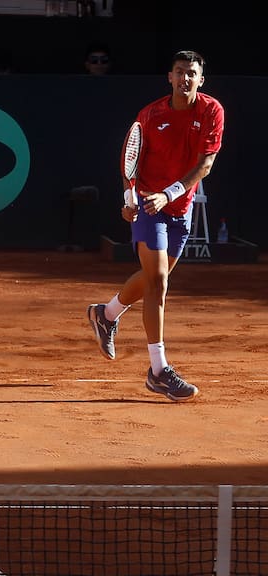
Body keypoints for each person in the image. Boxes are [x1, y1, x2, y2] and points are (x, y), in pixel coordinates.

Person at [87, 50, 225, 402]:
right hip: (150, 204)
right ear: (170, 77)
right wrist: (130, 199)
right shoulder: (150, 115)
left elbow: (205, 165)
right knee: (159, 280)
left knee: (153, 279)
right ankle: (159, 370)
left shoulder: (212, 111)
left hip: (180, 207)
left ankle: (107, 313)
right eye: (179, 72)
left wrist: (171, 194)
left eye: (191, 73)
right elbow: (129, 158)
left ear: (200, 80)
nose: (185, 79)